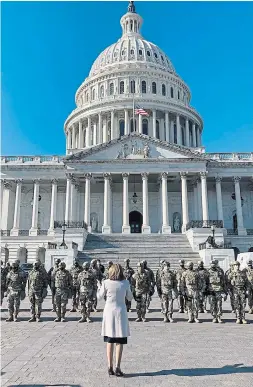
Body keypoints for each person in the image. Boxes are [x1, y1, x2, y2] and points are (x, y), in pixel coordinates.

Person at [97, 263, 133, 377]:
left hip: (109, 312)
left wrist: (99, 287)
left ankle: (109, 366)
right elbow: (130, 297)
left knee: (110, 340)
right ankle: (118, 367)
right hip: (120, 312)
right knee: (119, 341)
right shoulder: (125, 282)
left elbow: (99, 296)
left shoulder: (106, 283)